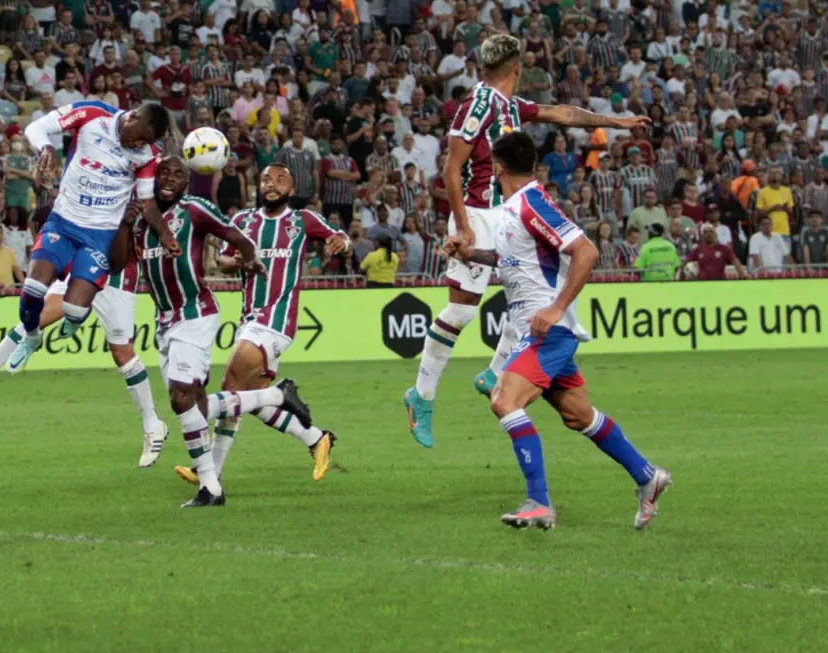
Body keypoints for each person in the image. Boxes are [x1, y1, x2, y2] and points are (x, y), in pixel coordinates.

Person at [405, 34, 649, 449]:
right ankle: (421, 396)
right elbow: (450, 169)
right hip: (477, 213)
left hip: (505, 213)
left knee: (531, 289)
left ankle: (496, 372)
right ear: (517, 68)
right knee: (463, 313)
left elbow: (564, 114)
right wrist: (463, 226)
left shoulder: (509, 107)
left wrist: (615, 123)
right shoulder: (478, 104)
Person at [446, 131, 671, 530]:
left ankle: (539, 501)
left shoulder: (533, 203)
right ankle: (647, 476)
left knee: (504, 399)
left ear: (497, 167)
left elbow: (586, 251)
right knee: (579, 416)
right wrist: (471, 254)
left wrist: (556, 307)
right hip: (535, 329)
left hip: (547, 331)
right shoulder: (515, 208)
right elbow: (512, 259)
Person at [112, 157, 304, 507]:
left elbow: (235, 236)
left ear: (186, 183)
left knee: (181, 395)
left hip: (196, 312)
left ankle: (211, 488)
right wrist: (125, 224)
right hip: (165, 320)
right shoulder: (141, 222)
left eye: (178, 175)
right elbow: (117, 262)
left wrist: (250, 256)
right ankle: (275, 397)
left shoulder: (195, 210)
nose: (170, 179)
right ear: (153, 180)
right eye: (164, 173)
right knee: (193, 404)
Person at [0, 101, 175, 380]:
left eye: (146, 142)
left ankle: (152, 419)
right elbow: (38, 127)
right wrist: (47, 148)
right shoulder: (93, 115)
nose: (139, 144)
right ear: (134, 116)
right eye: (140, 137)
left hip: (114, 255)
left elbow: (147, 201)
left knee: (120, 349)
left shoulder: (149, 157)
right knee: (36, 298)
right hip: (70, 230)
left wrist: (164, 234)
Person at [0, 209, 173, 469]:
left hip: (119, 273)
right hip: (86, 253)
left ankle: (153, 424)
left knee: (122, 353)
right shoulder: (97, 176)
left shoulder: (144, 187)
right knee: (38, 314)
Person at [178, 163, 346, 490]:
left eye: (280, 180)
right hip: (249, 320)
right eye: (267, 179)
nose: (272, 185)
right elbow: (224, 261)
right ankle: (316, 437)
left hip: (278, 320)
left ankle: (209, 472)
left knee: (231, 384)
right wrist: (237, 261)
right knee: (249, 400)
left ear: (291, 189)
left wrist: (342, 243)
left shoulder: (303, 219)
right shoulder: (242, 221)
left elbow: (339, 237)